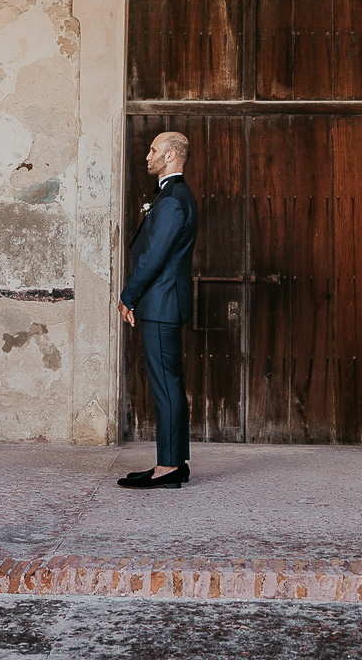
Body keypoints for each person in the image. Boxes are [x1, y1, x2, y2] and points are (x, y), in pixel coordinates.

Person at [117, 131, 199, 490]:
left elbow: (153, 258)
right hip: (164, 302)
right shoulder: (174, 196)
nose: (147, 156)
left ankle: (168, 467)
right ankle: (173, 461)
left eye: (153, 150)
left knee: (166, 386)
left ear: (170, 157)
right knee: (170, 385)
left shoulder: (173, 200)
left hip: (160, 303)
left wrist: (128, 296)